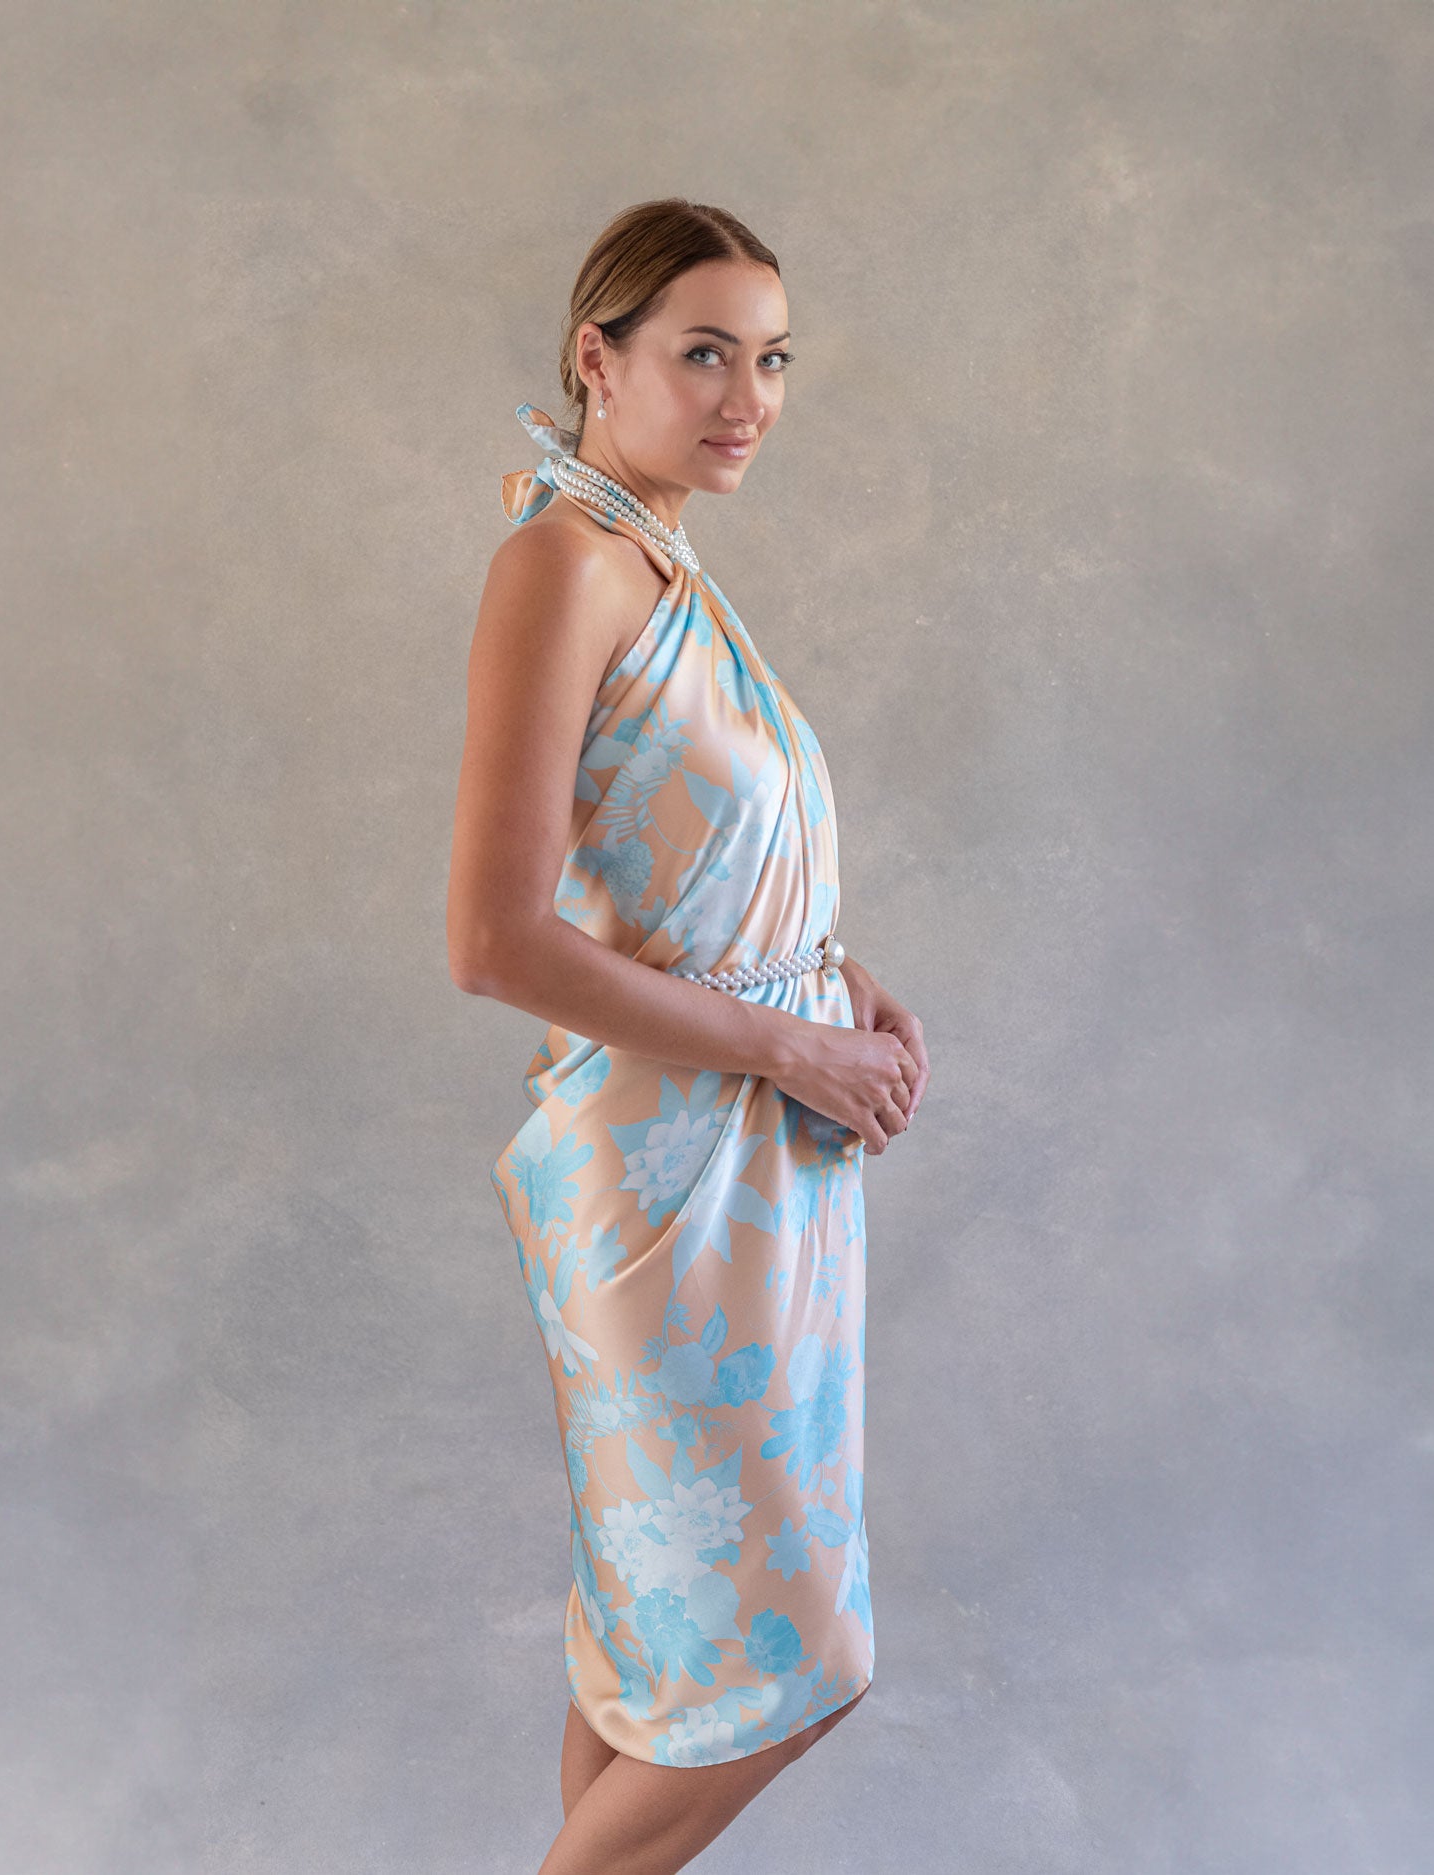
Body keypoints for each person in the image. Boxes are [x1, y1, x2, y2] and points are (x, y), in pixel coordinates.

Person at [448, 198, 928, 1875]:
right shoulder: (562, 565)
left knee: (658, 1657)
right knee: (794, 1667)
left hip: (754, 1168)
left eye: (773, 356)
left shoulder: (662, 560)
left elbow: (689, 860)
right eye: (704, 351)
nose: (749, 395)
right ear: (600, 357)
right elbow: (494, 941)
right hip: (667, 1182)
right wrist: (790, 1049)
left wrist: (830, 972)